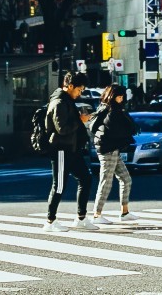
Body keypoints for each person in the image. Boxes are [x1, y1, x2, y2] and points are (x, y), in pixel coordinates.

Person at [42, 71, 95, 231]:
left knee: (85, 179)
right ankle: (50, 221)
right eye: (79, 89)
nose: (80, 93)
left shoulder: (67, 101)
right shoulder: (59, 102)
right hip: (61, 148)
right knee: (59, 185)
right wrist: (80, 120)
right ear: (70, 86)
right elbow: (62, 129)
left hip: (72, 148)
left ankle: (81, 217)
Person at [91, 84, 136, 224]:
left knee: (126, 179)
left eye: (122, 97)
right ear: (112, 96)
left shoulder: (114, 109)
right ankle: (97, 215)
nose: (121, 99)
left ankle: (125, 212)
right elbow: (112, 129)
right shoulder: (110, 110)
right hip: (107, 149)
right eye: (119, 96)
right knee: (106, 182)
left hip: (113, 148)